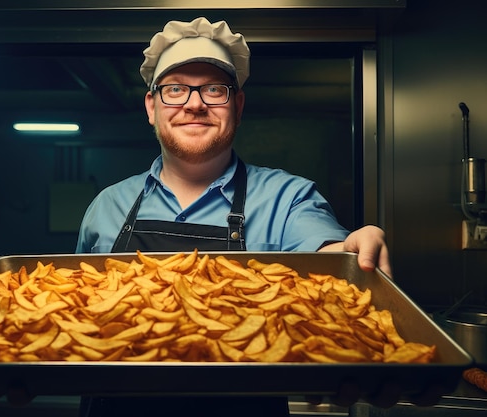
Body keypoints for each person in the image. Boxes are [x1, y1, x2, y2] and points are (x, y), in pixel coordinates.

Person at [73, 17, 398, 417]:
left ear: (238, 106)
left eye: (214, 89)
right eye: (175, 89)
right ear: (152, 107)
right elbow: (78, 313)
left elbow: (330, 257)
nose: (195, 103)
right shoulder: (106, 205)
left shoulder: (289, 198)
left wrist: (350, 253)